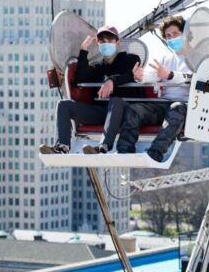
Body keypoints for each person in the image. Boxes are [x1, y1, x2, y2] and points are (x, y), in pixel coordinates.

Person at [39, 25, 142, 154]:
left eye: (110, 41)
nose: (106, 44)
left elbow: (131, 74)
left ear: (118, 43)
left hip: (124, 111)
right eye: (102, 41)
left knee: (115, 101)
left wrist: (112, 81)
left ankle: (104, 146)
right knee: (64, 105)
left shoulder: (131, 59)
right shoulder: (97, 67)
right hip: (101, 111)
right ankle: (63, 146)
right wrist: (83, 50)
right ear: (98, 43)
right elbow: (80, 79)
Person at [115, 16, 192, 162]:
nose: (171, 38)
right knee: (134, 110)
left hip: (186, 107)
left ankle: (154, 154)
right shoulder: (166, 59)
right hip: (164, 105)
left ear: (184, 34)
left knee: (176, 108)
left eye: (175, 34)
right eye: (168, 36)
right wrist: (141, 77)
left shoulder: (195, 59)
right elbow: (154, 75)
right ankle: (124, 152)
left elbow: (193, 77)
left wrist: (170, 75)